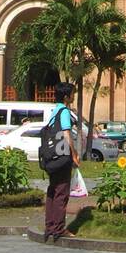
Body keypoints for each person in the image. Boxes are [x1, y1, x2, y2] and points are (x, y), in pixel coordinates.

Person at [43, 84, 78, 243]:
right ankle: (59, 228)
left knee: (52, 190)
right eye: (72, 94)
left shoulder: (54, 111)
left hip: (50, 157)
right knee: (61, 192)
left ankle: (50, 226)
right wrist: (74, 154)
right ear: (66, 97)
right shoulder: (64, 111)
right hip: (61, 156)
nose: (73, 96)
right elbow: (66, 134)